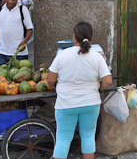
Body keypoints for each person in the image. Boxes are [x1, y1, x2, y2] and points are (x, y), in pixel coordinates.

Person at [47, 22, 112, 159]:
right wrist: (97, 87)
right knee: (88, 136)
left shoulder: (63, 54)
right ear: (90, 38)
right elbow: (107, 81)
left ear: (74, 37)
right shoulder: (96, 57)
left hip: (66, 104)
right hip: (91, 103)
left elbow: (50, 79)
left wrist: (54, 86)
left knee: (63, 139)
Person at [0, 0, 33, 65]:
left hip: (20, 54)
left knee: (19, 76)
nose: (11, 1)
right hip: (2, 53)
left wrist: (24, 42)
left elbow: (30, 29)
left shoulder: (22, 9)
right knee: (0, 77)